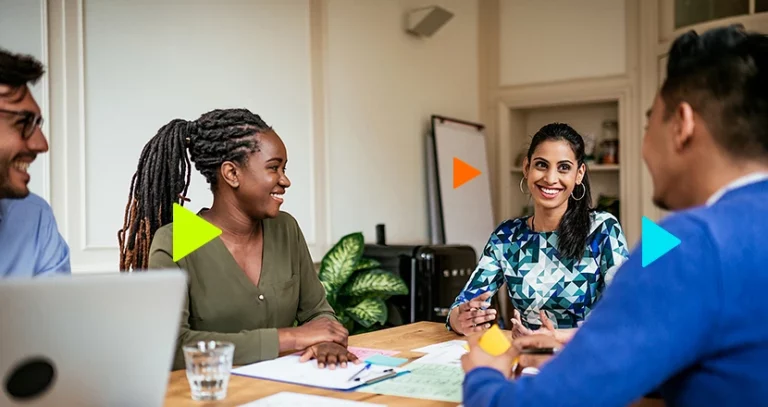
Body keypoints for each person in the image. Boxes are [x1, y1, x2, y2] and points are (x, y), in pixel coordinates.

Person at [460, 24, 768, 406]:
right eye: (540, 165)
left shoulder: (692, 245)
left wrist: (483, 375)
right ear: (526, 169)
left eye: (647, 121)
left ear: (681, 125)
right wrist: (561, 340)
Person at [117, 108, 358, 370]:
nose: (285, 180)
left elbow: (318, 313)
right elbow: (172, 347)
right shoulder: (176, 240)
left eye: (284, 168)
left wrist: (327, 342)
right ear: (232, 173)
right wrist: (293, 337)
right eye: (273, 168)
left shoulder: (285, 228)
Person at [448, 123, 629, 342]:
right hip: (527, 359)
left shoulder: (602, 229)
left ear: (579, 174)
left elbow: (626, 314)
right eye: (542, 165)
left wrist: (555, 337)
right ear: (527, 168)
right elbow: (461, 306)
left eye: (563, 167)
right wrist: (462, 319)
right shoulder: (507, 237)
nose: (551, 178)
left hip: (585, 358)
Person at [0, 48, 70, 277]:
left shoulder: (35, 218)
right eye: (23, 123)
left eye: (38, 124)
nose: (41, 144)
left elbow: (56, 312)